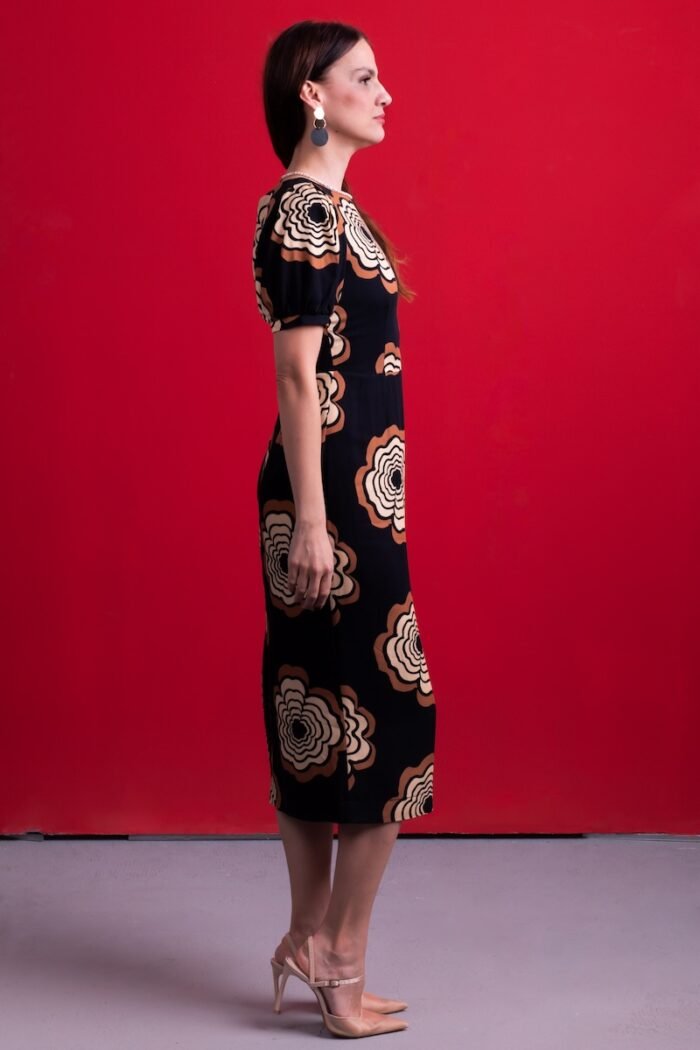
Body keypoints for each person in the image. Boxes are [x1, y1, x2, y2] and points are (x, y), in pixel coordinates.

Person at [252, 19, 437, 1038]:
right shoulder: (301, 213)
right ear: (312, 95)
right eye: (365, 77)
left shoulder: (334, 208)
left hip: (355, 499)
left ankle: (313, 944)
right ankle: (333, 953)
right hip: (330, 505)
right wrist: (317, 525)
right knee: (378, 716)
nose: (387, 92)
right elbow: (293, 372)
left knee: (322, 710)